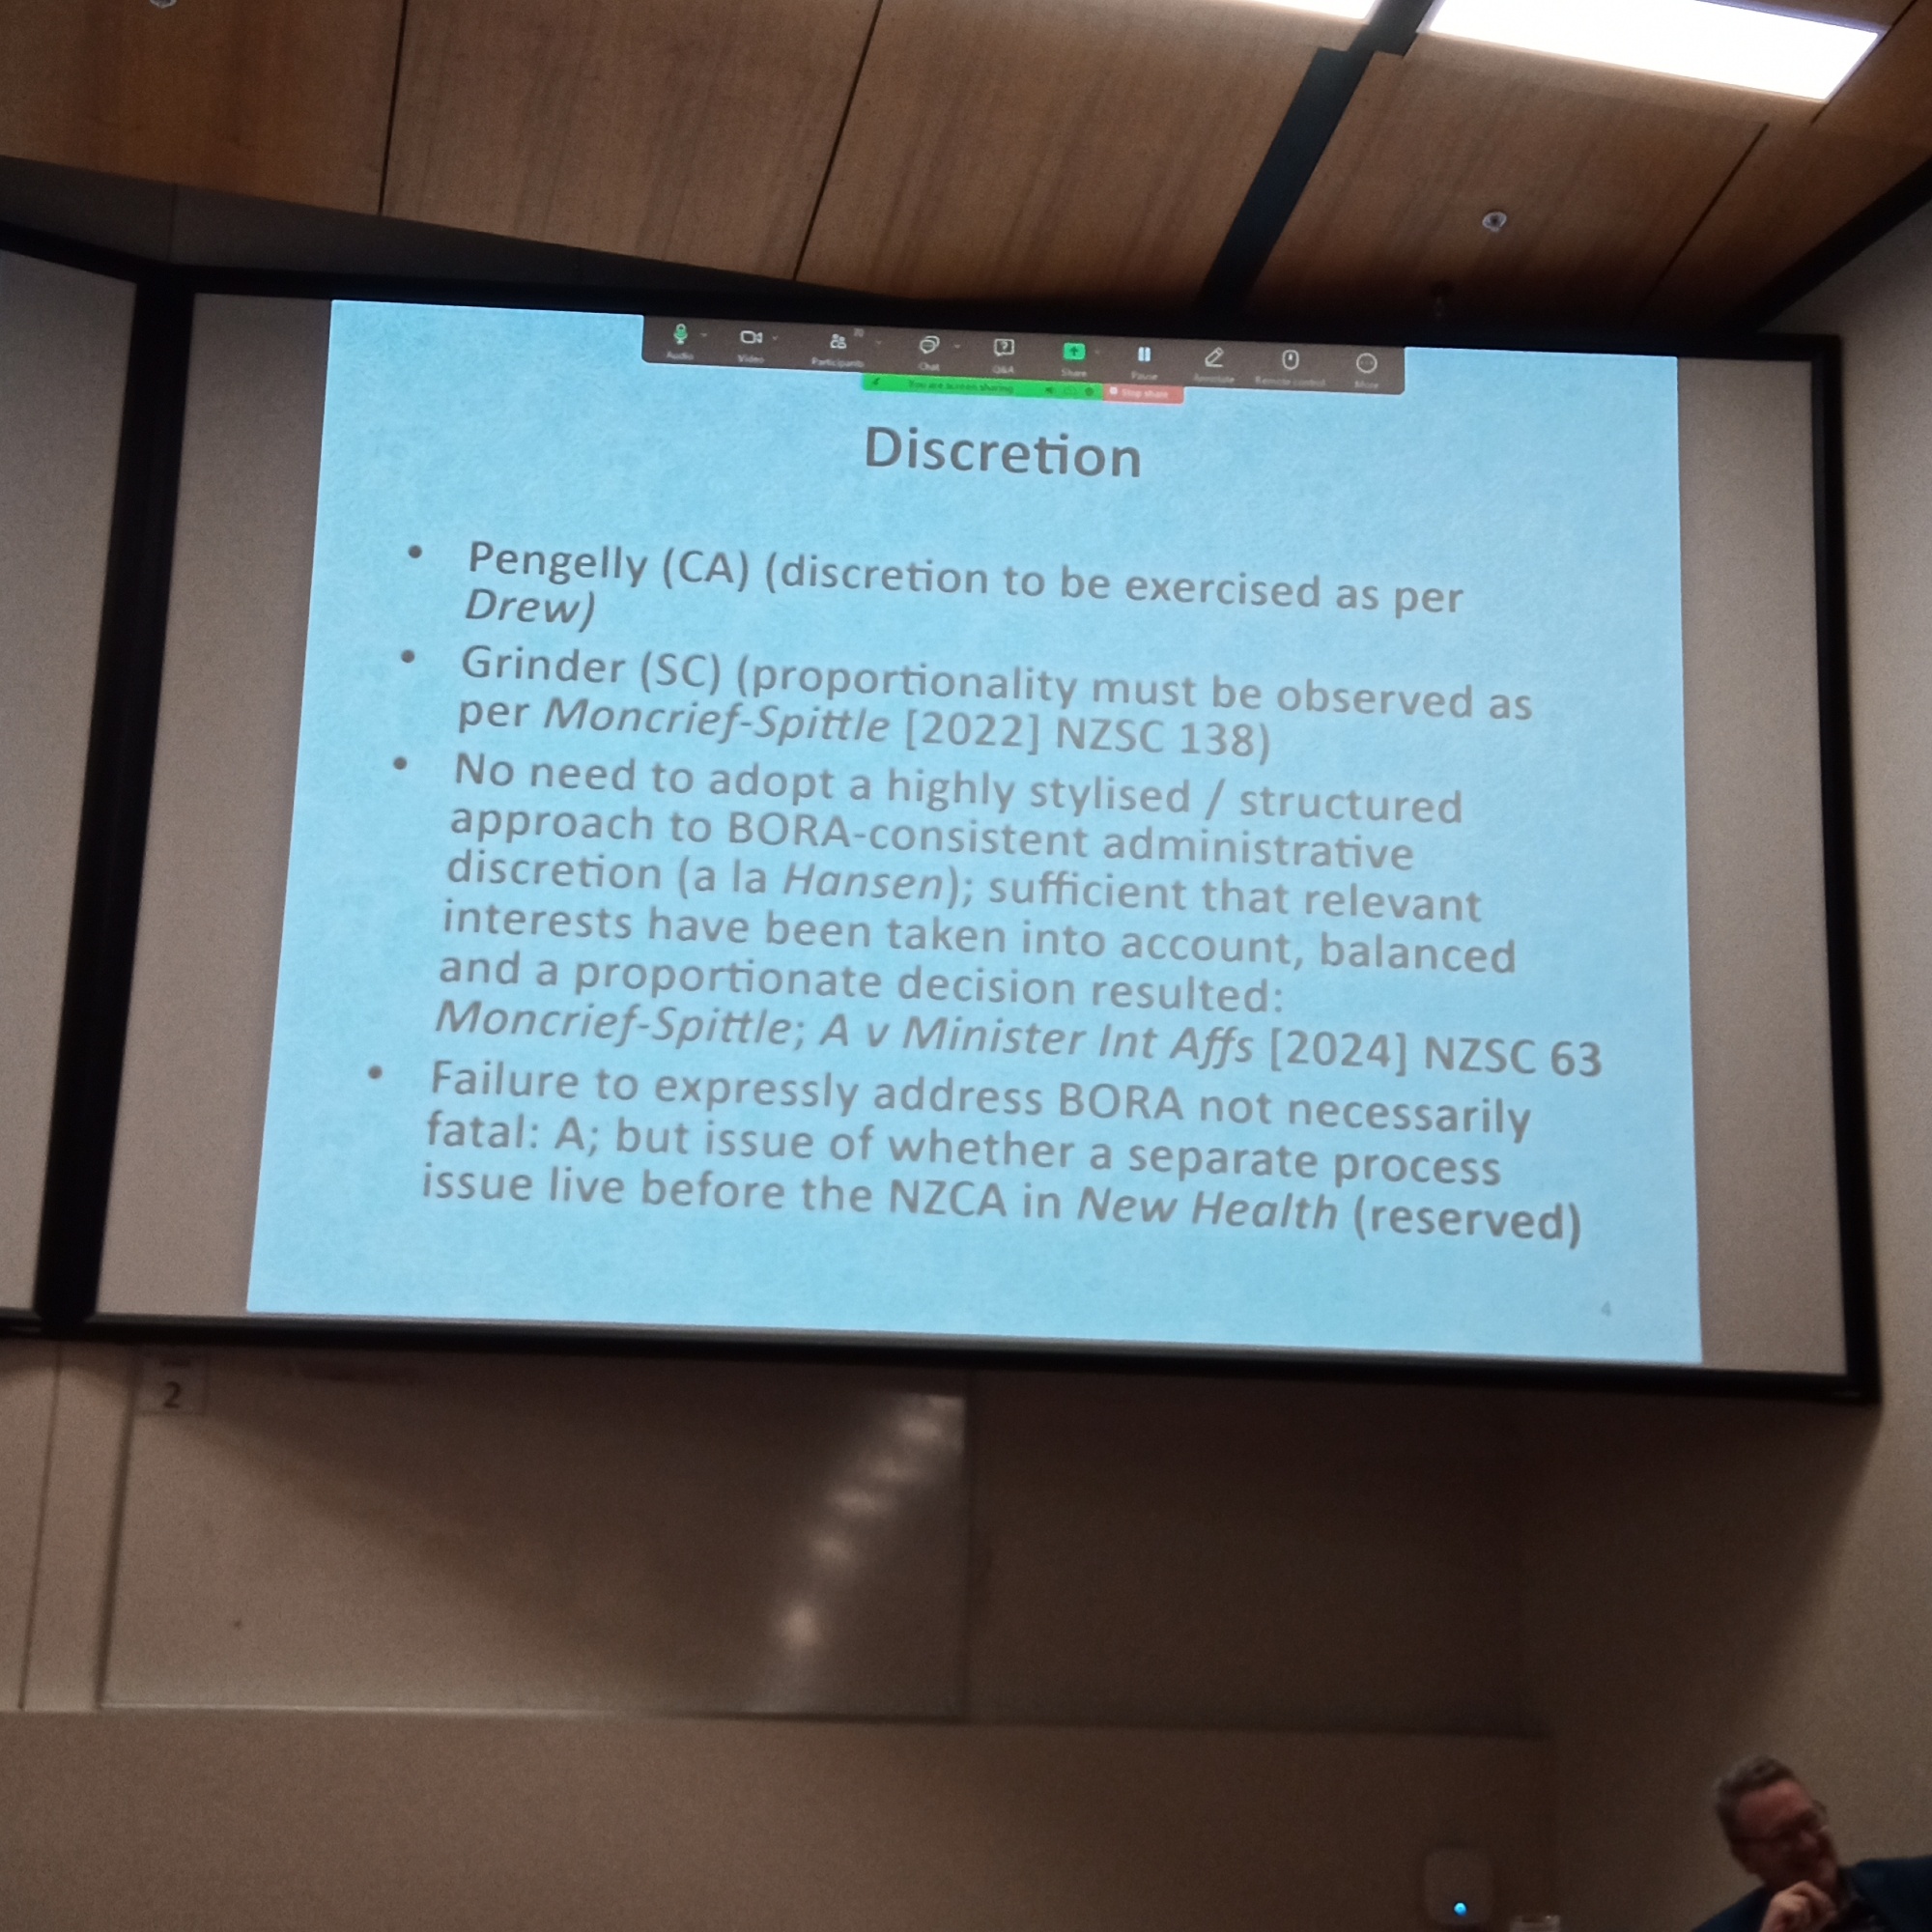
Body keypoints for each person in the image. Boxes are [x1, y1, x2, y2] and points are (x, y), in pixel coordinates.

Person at [1696, 1756, 1932, 1932]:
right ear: (1745, 1858)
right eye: (1784, 1836)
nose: (1808, 1844)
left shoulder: (1918, 1883)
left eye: (1809, 1822)